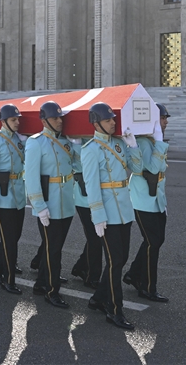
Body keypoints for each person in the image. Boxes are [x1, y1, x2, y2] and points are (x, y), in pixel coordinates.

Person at [81, 102, 142, 330]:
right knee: (115, 262)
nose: (113, 123)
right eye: (108, 120)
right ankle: (114, 309)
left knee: (121, 258)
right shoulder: (90, 149)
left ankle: (98, 298)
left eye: (113, 119)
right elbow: (91, 185)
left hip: (124, 210)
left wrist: (133, 146)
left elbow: (137, 168)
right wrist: (97, 215)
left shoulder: (118, 144)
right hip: (106, 212)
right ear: (96, 123)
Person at [24, 101, 77, 309]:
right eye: (55, 118)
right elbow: (31, 178)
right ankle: (52, 290)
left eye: (60, 117)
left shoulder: (65, 141)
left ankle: (41, 283)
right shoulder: (35, 142)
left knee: (54, 246)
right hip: (49, 204)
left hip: (65, 202)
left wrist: (78, 145)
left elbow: (75, 165)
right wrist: (39, 206)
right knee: (53, 250)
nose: (60, 121)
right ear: (45, 120)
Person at [124, 103, 171, 303]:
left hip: (156, 199)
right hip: (142, 200)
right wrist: (159, 142)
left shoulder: (151, 141)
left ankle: (134, 274)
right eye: (162, 118)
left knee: (156, 240)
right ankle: (148, 287)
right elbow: (152, 169)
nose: (165, 122)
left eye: (166, 118)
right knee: (153, 242)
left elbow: (160, 170)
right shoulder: (143, 142)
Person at [0, 104, 29, 294]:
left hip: (18, 195)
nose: (17, 122)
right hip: (3, 198)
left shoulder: (19, 140)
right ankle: (8, 279)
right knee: (10, 240)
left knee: (14, 236)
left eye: (18, 119)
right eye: (13, 120)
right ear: (3, 122)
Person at [69, 129, 101, 290]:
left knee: (96, 237)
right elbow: (84, 163)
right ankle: (92, 276)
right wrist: (76, 143)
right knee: (95, 237)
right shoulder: (75, 140)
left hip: (99, 193)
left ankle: (81, 266)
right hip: (84, 195)